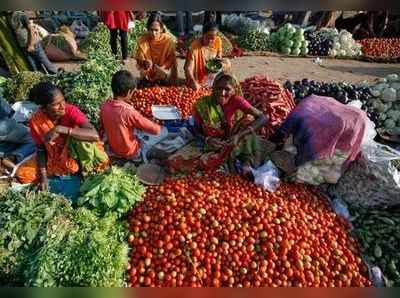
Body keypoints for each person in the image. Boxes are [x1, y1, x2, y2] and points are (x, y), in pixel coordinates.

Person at [16, 82, 109, 189]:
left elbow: (94, 135)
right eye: (56, 104)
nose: (62, 106)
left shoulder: (71, 111)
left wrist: (61, 129)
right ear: (44, 108)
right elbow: (41, 149)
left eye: (63, 101)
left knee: (82, 139)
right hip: (54, 157)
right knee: (23, 174)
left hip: (78, 154)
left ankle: (86, 170)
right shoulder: (36, 121)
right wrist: (44, 176)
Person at [193, 72, 268, 175]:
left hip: (234, 139)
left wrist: (239, 136)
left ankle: (245, 162)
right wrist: (208, 139)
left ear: (234, 90)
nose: (222, 93)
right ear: (213, 88)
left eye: (227, 89)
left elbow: (263, 117)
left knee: (248, 122)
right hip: (213, 143)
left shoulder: (236, 101)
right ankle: (228, 159)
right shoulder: (202, 105)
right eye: (218, 88)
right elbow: (196, 130)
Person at [100, 70, 162, 161]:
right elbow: (156, 130)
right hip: (131, 152)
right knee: (162, 133)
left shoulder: (104, 106)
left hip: (113, 148)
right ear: (129, 92)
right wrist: (157, 124)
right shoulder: (128, 112)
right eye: (133, 92)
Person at [184, 22, 231, 90]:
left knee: (227, 62)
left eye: (212, 38)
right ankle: (200, 83)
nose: (210, 41)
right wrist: (192, 80)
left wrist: (218, 60)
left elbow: (219, 55)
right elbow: (188, 67)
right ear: (203, 34)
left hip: (211, 72)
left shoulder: (218, 40)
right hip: (199, 75)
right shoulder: (194, 47)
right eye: (207, 37)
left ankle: (215, 81)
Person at [135, 13, 178, 86]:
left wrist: (161, 68)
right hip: (148, 72)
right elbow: (140, 57)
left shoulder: (168, 41)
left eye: (156, 30)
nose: (153, 33)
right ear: (148, 29)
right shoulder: (143, 39)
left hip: (163, 72)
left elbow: (171, 59)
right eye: (151, 30)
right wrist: (145, 62)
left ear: (161, 29)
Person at [0, 96, 35, 175]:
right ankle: (13, 158)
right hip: (3, 124)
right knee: (36, 138)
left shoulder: (19, 105)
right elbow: (9, 112)